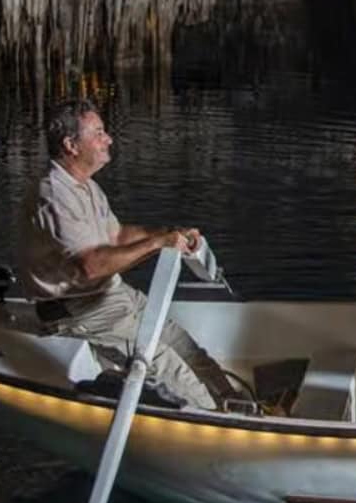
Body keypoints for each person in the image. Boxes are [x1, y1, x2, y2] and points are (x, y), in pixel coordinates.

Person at [16, 99, 228, 410]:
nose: (109, 139)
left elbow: (115, 236)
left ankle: (240, 407)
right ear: (71, 145)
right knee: (171, 368)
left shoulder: (85, 186)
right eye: (99, 133)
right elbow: (90, 265)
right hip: (81, 311)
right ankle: (216, 422)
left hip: (112, 295)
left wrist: (168, 233)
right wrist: (157, 245)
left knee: (189, 351)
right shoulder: (54, 197)